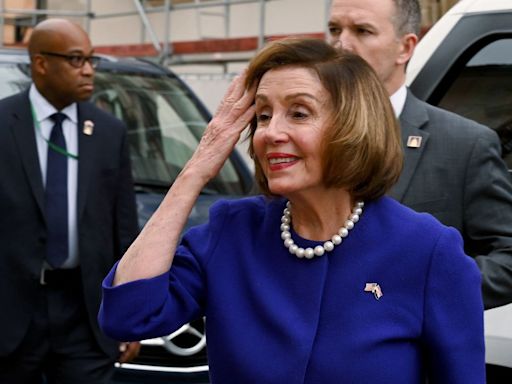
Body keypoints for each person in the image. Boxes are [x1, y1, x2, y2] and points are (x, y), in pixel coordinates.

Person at [99, 38, 485, 383]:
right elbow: (128, 315)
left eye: (299, 113)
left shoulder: (428, 251)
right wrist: (196, 169)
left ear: (352, 127)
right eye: (263, 115)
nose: (270, 132)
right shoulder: (231, 231)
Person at [328, 0, 512, 310]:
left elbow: (507, 258)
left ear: (405, 47)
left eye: (362, 30)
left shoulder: (464, 145)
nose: (342, 45)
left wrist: (421, 293)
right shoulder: (299, 138)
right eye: (335, 29)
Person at [0, 18, 140, 383]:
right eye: (77, 60)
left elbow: (123, 231)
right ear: (41, 63)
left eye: (92, 60)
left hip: (85, 314)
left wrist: (129, 312)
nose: (89, 71)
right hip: (11, 315)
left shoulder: (109, 132)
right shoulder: (2, 124)